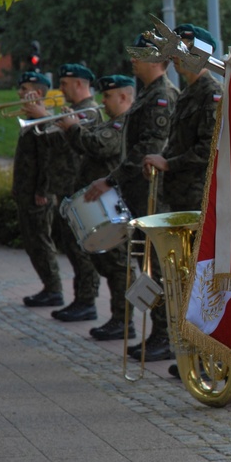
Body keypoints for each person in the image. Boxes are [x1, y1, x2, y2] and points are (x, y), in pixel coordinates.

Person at [86, 34, 179, 362]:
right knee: (146, 266)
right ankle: (159, 333)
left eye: (139, 54)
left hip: (153, 197)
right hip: (139, 195)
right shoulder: (148, 94)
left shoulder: (162, 95)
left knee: (155, 267)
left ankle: (166, 336)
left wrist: (112, 179)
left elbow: (149, 147)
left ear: (156, 60)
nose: (132, 59)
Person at [57, 75, 135, 340]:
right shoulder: (113, 122)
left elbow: (98, 146)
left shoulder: (122, 124)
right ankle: (119, 319)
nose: (102, 101)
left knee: (118, 266)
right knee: (109, 264)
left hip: (113, 205)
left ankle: (123, 321)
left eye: (108, 96)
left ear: (123, 97)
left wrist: (72, 128)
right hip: (101, 204)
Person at [143, 24, 222, 213]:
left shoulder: (212, 93)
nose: (173, 56)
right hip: (180, 194)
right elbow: (178, 143)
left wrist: (168, 164)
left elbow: (209, 148)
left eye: (182, 50)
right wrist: (159, 160)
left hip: (198, 197)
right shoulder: (187, 93)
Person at [47, 63, 101, 322]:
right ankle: (80, 299)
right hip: (66, 189)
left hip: (79, 190)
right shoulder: (72, 111)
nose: (61, 88)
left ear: (79, 83)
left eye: (65, 84)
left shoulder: (89, 112)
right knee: (69, 246)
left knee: (80, 250)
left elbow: (87, 147)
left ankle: (87, 301)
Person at [13, 72, 63, 308]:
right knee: (32, 243)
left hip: (38, 195)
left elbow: (48, 160)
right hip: (26, 191)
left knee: (41, 241)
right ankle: (48, 286)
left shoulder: (45, 121)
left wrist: (43, 190)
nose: (19, 93)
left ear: (38, 93)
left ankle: (54, 289)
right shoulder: (31, 119)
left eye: (24, 89)